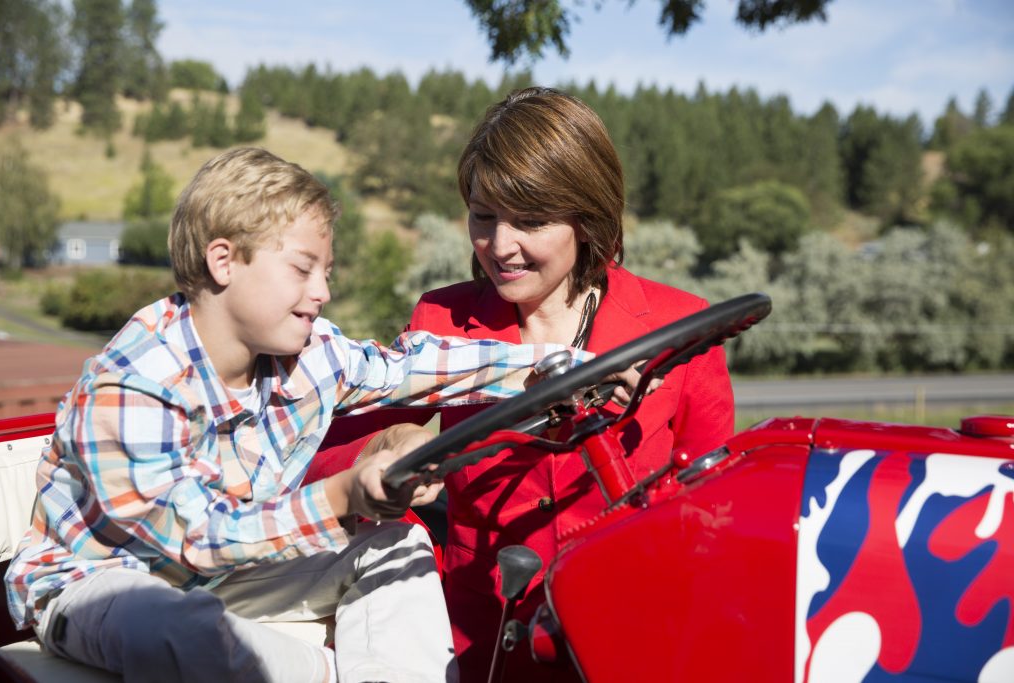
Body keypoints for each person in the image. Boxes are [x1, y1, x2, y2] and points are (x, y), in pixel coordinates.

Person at [4, 146, 595, 683]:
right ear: (224, 261)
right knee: (173, 625)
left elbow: (415, 366)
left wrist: (566, 365)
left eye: (327, 273)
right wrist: (342, 497)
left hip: (233, 577)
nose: (322, 293)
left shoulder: (305, 355)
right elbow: (195, 539)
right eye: (303, 269)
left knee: (394, 545)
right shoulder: (134, 381)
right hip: (100, 583)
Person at [306, 87, 735, 681]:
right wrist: (379, 455)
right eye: (483, 217)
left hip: (633, 635)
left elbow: (717, 510)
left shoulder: (679, 328)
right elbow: (318, 455)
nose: (499, 246)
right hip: (483, 639)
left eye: (530, 221)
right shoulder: (443, 321)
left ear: (587, 216)